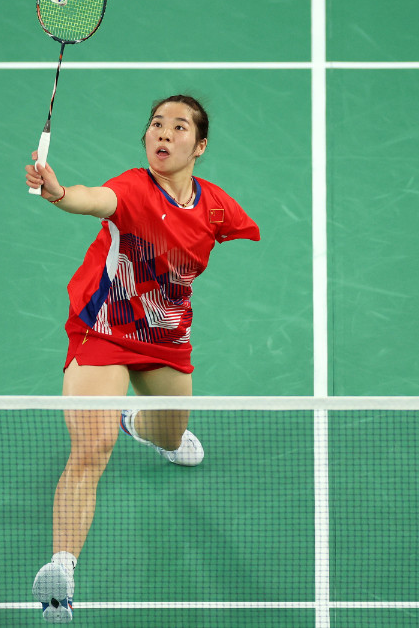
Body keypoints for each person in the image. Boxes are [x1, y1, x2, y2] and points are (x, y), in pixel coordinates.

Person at [23, 94, 260, 623]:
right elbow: (90, 198)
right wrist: (58, 191)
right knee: (91, 446)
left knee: (175, 438)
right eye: (156, 124)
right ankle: (60, 574)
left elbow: (224, 231)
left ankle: (137, 421)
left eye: (178, 127)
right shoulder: (132, 188)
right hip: (103, 330)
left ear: (199, 146)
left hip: (165, 341)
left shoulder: (217, 207)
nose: (163, 134)